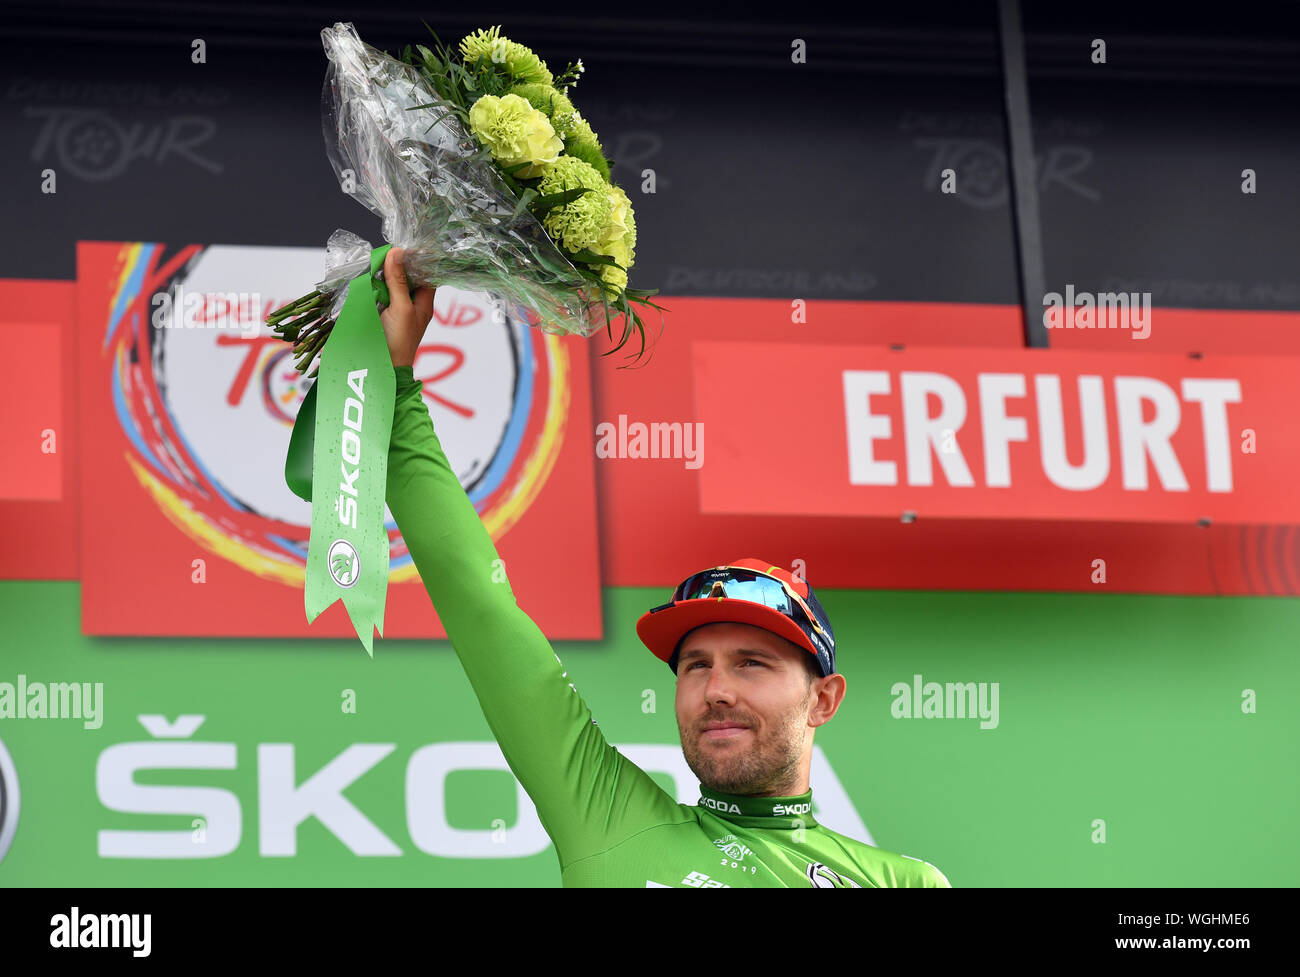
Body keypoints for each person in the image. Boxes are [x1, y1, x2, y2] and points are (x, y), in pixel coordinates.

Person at [379, 247, 950, 887]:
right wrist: (397, 387)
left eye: (752, 663)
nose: (716, 691)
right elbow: (483, 613)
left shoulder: (903, 882)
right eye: (695, 665)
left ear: (823, 698)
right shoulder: (607, 818)